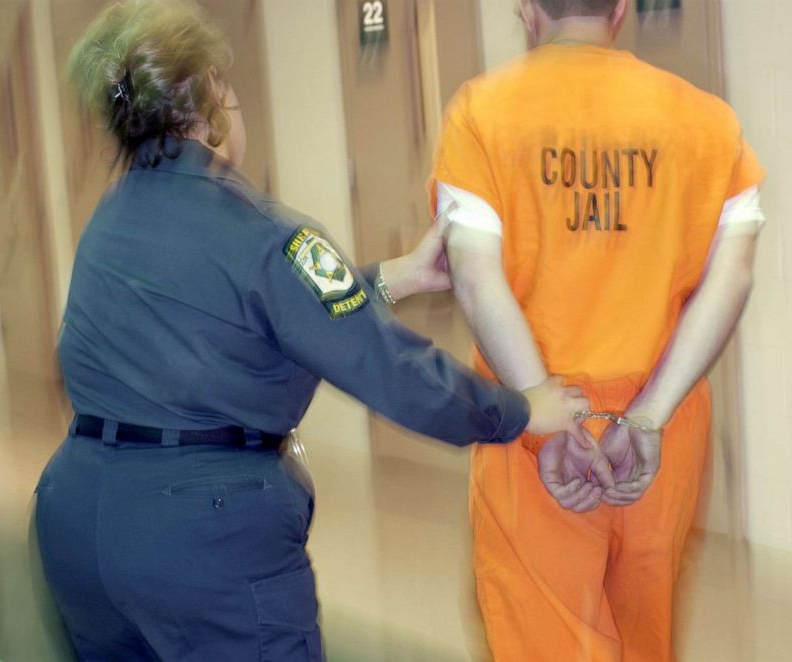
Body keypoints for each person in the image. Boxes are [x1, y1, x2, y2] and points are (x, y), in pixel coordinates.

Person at [31, 1, 590, 660]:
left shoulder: (114, 218)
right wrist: (521, 411)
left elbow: (246, 313)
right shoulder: (264, 233)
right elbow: (393, 373)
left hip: (78, 517)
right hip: (203, 541)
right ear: (212, 99)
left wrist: (392, 279)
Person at [429, 0, 767, 659]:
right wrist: (646, 419)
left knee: (542, 635)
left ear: (526, 7)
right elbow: (732, 281)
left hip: (533, 429)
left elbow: (474, 275)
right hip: (656, 440)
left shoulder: (482, 113)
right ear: (621, 7)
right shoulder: (708, 121)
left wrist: (548, 416)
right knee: (645, 635)